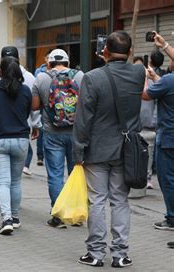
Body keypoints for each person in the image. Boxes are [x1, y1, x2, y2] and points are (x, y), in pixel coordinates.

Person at [73, 30, 145, 268]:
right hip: (126, 150)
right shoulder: (138, 72)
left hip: (97, 149)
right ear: (131, 52)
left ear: (104, 51)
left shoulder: (92, 78)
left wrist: (78, 151)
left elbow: (83, 119)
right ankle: (120, 254)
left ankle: (95, 253)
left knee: (97, 200)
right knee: (120, 201)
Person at [0, 56, 36, 234]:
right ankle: (15, 217)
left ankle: (6, 219)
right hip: (21, 140)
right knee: (15, 182)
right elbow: (27, 112)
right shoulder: (26, 91)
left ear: (0, 72)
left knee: (3, 182)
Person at [32, 48, 84, 228]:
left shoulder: (42, 78)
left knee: (55, 175)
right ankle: (76, 215)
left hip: (52, 132)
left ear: (49, 63)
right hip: (76, 133)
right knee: (74, 173)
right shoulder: (79, 76)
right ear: (68, 63)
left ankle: (59, 215)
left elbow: (34, 106)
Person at [0, 46, 40, 176]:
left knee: (3, 180)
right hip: (21, 132)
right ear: (18, 59)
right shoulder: (29, 77)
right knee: (15, 181)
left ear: (1, 61)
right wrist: (35, 125)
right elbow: (34, 106)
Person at [143, 31, 174, 233]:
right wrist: (164, 46)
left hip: (169, 138)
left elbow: (146, 95)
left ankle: (172, 218)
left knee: (167, 178)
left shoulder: (169, 80)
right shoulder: (166, 80)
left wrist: (147, 78)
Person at [133, 56, 157, 190]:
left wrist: (154, 120)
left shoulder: (153, 84)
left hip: (148, 125)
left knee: (148, 153)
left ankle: (147, 177)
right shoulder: (130, 83)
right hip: (134, 125)